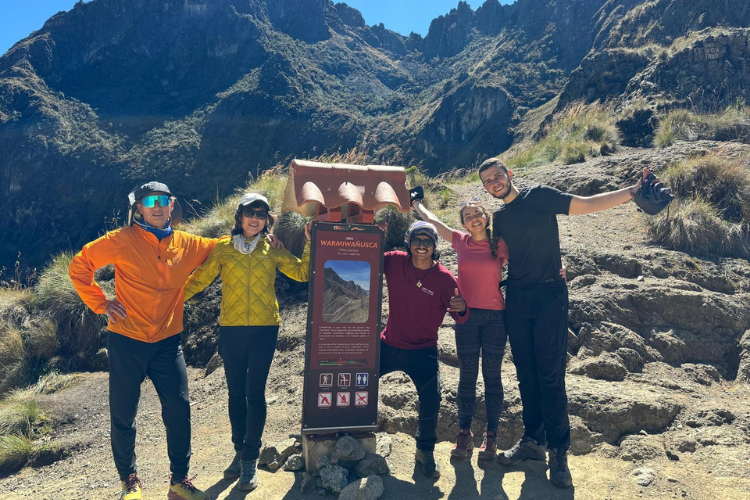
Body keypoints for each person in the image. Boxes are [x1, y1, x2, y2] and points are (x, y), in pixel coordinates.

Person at [477, 158, 646, 488]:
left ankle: (558, 452)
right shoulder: (499, 218)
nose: (495, 183)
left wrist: (632, 192)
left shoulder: (539, 196)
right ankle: (532, 442)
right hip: (518, 299)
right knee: (526, 374)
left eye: (498, 176)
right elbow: (500, 257)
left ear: (510, 174)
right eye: (488, 181)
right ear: (485, 187)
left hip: (550, 296)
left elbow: (585, 205)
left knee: (550, 375)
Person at [68, 182, 217, 500]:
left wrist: (262, 237)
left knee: (179, 409)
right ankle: (129, 483)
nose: (157, 206)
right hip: (126, 340)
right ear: (138, 208)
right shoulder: (121, 241)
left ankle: (179, 482)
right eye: (149, 201)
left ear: (171, 203)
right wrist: (102, 303)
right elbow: (80, 266)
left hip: (167, 341)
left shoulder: (187, 243)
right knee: (123, 414)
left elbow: (222, 248)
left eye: (162, 200)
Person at [412, 200, 566, 461]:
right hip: (466, 317)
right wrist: (418, 205)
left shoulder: (501, 245)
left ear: (486, 218)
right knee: (467, 375)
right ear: (463, 223)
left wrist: (560, 266)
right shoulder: (461, 240)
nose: (474, 218)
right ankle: (464, 432)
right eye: (468, 216)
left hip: (496, 317)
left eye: (478, 214)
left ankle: (491, 436)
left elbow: (533, 253)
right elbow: (435, 222)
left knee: (492, 377)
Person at [183, 193, 312, 492]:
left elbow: (303, 273)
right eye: (249, 212)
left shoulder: (272, 248)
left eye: (261, 213)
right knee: (234, 395)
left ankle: (250, 459)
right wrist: (170, 301)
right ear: (239, 217)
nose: (255, 218)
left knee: (255, 394)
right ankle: (239, 451)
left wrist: (308, 241)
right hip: (231, 329)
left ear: (267, 219)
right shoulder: (223, 249)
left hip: (265, 329)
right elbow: (199, 280)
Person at [379, 221, 469, 479]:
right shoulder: (395, 261)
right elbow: (366, 254)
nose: (421, 246)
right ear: (408, 242)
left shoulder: (443, 278)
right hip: (389, 344)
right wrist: (375, 234)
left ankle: (424, 452)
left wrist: (461, 307)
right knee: (360, 383)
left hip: (423, 350)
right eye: (416, 240)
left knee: (432, 400)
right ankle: (352, 433)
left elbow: (460, 315)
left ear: (434, 245)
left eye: (427, 241)